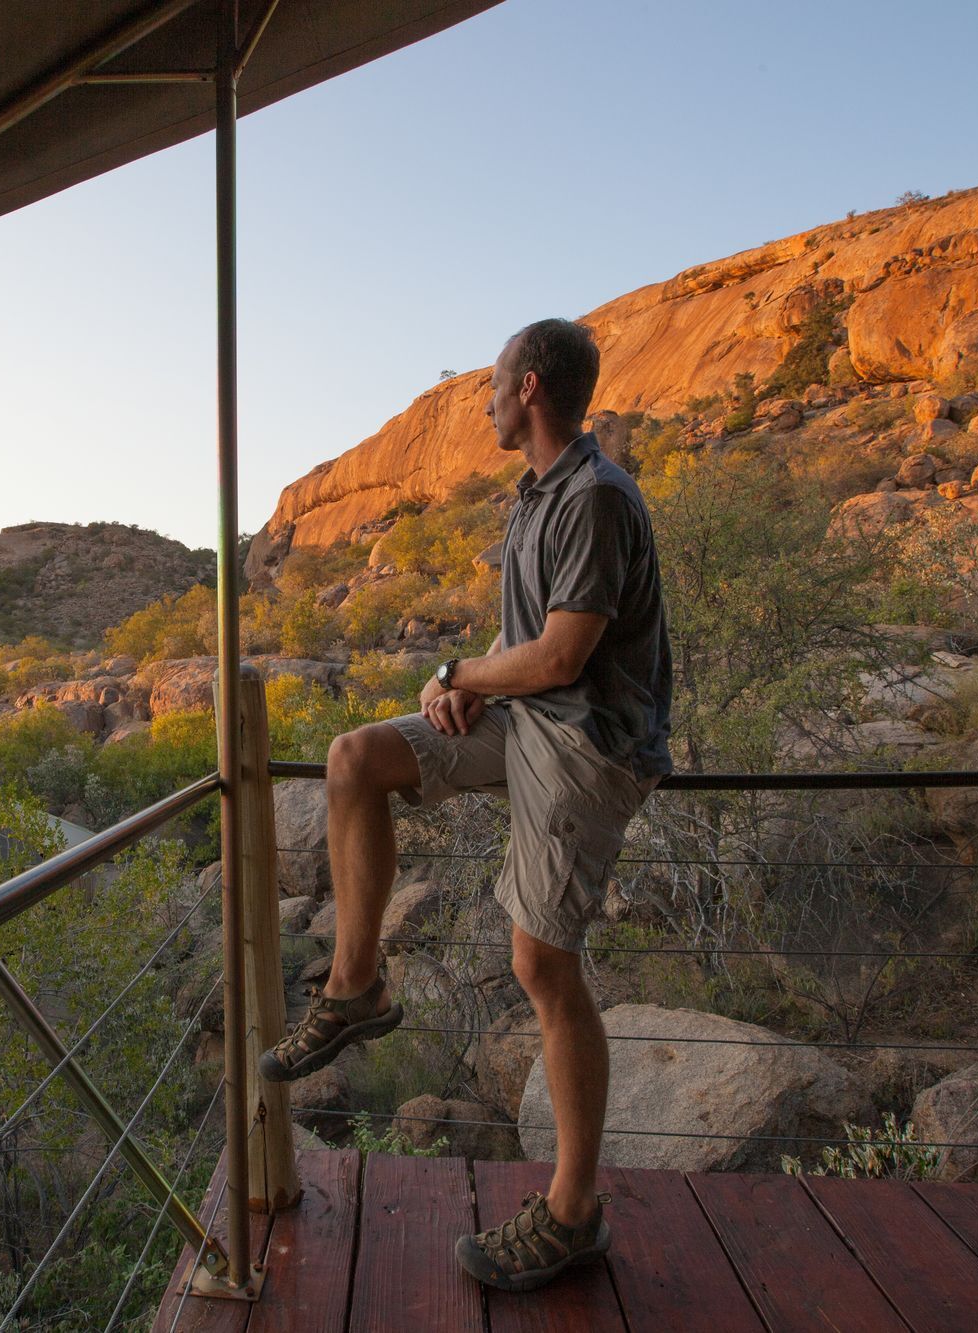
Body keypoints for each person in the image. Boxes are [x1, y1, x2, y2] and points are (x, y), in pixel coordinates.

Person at [258, 317, 673, 1293]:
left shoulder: (593, 498)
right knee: (354, 757)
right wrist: (461, 690)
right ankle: (354, 989)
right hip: (525, 718)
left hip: (583, 741)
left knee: (543, 964)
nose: (480, 399)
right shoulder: (530, 503)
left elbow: (564, 655)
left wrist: (458, 668)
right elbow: (520, 651)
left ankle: (574, 1212)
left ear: (527, 386)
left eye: (489, 383)